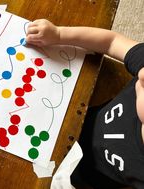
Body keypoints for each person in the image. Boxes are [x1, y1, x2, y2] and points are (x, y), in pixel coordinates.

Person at [26, 19, 144, 189]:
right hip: (74, 119)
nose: (140, 77)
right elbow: (112, 42)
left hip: (78, 177)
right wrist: (58, 34)